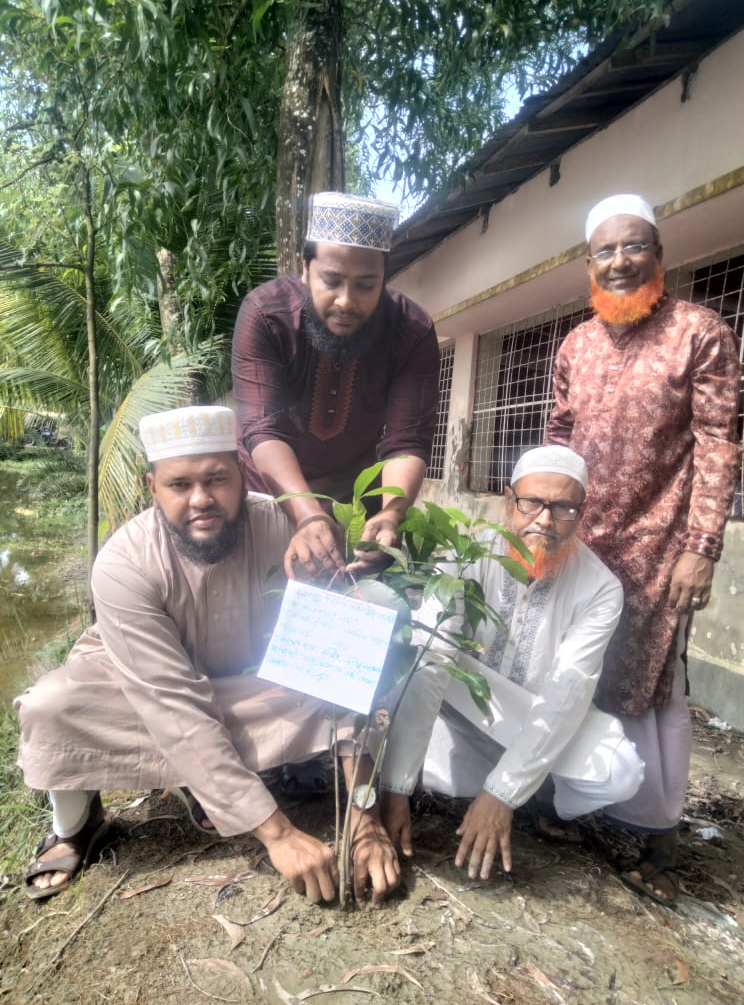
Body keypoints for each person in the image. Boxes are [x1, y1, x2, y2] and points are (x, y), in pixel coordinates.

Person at [15, 406, 399, 904]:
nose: (201, 499)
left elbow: (339, 662)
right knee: (53, 706)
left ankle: (202, 781)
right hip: (145, 690)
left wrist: (365, 818)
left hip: (246, 687)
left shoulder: (287, 530)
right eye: (179, 485)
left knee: (353, 666)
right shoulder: (123, 563)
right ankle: (76, 825)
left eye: (217, 479)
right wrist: (279, 834)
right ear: (152, 488)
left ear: (241, 476)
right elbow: (171, 704)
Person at [545, 194, 741, 906]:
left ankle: (659, 839)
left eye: (635, 246)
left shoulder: (699, 332)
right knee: (573, 667)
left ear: (659, 254)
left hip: (661, 545)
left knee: (655, 684)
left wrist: (702, 546)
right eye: (606, 250)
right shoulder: (575, 344)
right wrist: (541, 522)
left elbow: (718, 443)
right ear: (588, 264)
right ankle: (576, 801)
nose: (620, 261)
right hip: (581, 542)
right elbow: (557, 437)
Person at [378, 446, 644, 882]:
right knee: (414, 660)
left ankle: (527, 790)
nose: (545, 520)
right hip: (457, 706)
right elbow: (433, 656)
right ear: (508, 501)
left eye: (563, 508)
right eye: (532, 502)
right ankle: (434, 776)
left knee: (620, 771)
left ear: (581, 513)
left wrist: (502, 793)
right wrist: (394, 789)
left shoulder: (600, 588)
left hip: (530, 717)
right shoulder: (466, 552)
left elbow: (566, 694)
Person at [231, 191, 440, 580]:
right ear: (305, 268)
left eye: (366, 285)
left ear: (384, 278)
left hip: (354, 508)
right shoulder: (266, 315)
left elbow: (406, 440)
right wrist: (307, 514)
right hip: (269, 498)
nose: (346, 301)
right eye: (331, 280)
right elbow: (262, 427)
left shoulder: (412, 331)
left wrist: (391, 513)